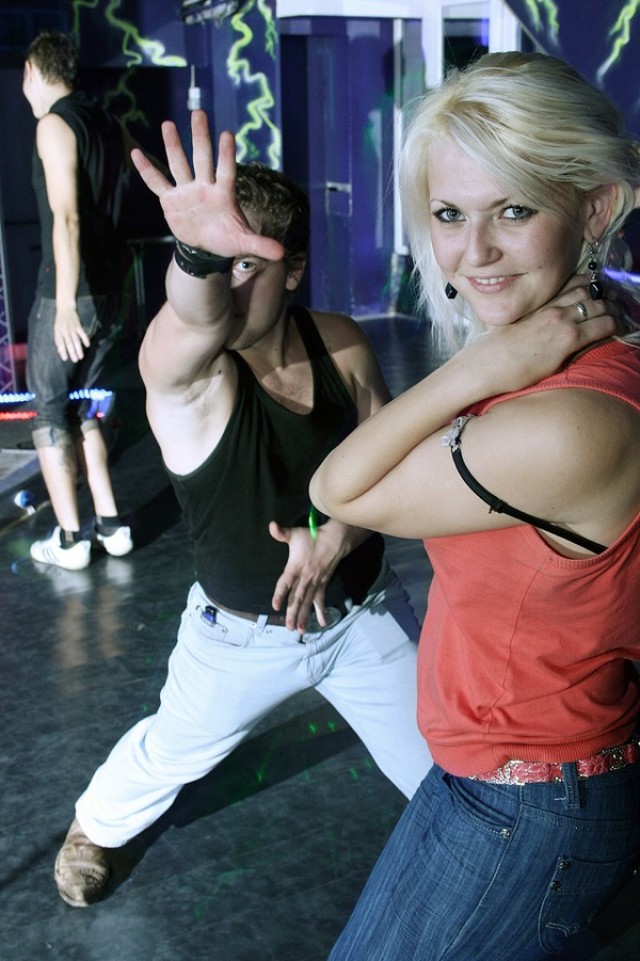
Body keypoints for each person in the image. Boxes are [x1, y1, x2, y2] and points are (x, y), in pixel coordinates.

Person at [52, 109, 432, 908]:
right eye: (213, 262)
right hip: (240, 638)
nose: (226, 285)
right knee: (170, 748)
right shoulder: (190, 377)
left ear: (293, 270)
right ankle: (94, 823)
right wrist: (195, 255)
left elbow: (398, 464)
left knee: (446, 772)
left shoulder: (341, 343)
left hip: (361, 615)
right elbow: (189, 318)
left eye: (246, 263)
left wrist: (336, 535)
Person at [310, 51, 640, 961]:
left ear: (596, 208)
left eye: (515, 210)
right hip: (515, 778)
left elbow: (337, 488)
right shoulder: (585, 339)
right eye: (450, 213)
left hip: (526, 802)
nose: (474, 251)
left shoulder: (563, 423)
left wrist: (477, 367)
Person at [22, 31, 133, 571]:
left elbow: (66, 217)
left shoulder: (53, 124)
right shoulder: (108, 121)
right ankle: (110, 524)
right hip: (114, 290)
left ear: (32, 72)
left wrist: (64, 304)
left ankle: (70, 538)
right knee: (84, 404)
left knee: (48, 409)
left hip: (73, 291)